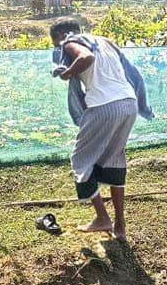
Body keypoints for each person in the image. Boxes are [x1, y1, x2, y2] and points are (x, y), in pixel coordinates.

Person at [50, 18, 153, 240]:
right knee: (114, 159)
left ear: (60, 36)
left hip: (104, 105)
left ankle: (102, 218)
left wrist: (67, 72)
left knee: (81, 160)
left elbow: (86, 57)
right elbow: (131, 71)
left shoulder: (69, 42)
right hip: (128, 103)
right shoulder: (105, 41)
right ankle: (120, 226)